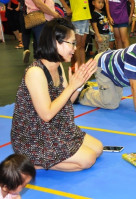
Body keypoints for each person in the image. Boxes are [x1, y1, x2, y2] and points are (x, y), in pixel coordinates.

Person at [11, 18, 103, 172]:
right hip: (33, 137)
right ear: (55, 42)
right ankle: (31, 163)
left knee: (98, 148)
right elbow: (46, 114)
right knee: (88, 159)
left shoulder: (58, 66)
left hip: (55, 128)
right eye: (71, 43)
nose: (74, 48)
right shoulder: (36, 72)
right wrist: (71, 86)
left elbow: (68, 100)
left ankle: (47, 160)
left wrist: (79, 86)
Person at [69, 0, 91, 67]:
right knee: (78, 45)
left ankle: (83, 66)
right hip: (77, 18)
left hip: (86, 17)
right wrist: (67, 8)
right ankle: (78, 67)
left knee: (82, 45)